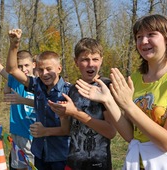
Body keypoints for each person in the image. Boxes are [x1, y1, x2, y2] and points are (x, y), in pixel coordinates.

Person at [74, 14, 167, 170]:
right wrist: (108, 101)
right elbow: (130, 135)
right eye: (139, 37)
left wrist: (128, 105)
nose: (144, 41)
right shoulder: (135, 79)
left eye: (151, 34)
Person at [6, 28, 71, 170]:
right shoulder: (37, 86)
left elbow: (69, 129)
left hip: (60, 156)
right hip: (40, 152)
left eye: (49, 69)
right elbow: (12, 69)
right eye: (41, 70)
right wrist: (14, 45)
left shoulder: (69, 92)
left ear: (59, 68)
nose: (45, 73)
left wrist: (45, 131)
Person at [48, 37, 116, 170]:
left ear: (101, 60)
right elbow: (68, 130)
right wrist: (63, 115)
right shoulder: (73, 89)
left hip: (97, 164)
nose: (90, 64)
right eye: (85, 59)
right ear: (76, 62)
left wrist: (75, 113)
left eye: (95, 59)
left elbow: (110, 131)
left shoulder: (106, 87)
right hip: (73, 162)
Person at [0, 27, 36, 170]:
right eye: (19, 66)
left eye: (26, 65)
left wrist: (22, 99)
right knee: (17, 167)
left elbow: (45, 104)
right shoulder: (14, 80)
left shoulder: (40, 83)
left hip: (35, 136)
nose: (23, 69)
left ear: (34, 64)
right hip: (17, 134)